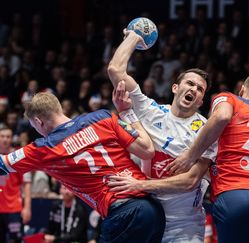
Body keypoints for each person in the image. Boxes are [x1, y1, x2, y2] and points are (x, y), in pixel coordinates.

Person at [0, 90, 165, 243]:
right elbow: (147, 151)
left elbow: (3, 165)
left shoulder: (45, 147)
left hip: (123, 213)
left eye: (34, 126)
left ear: (38, 121)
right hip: (153, 209)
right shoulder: (103, 117)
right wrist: (127, 113)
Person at [107, 29, 217, 243]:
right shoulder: (150, 111)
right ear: (175, 87)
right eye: (190, 84)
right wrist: (133, 37)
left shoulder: (206, 130)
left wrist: (139, 185)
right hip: (148, 217)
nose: (194, 89)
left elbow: (191, 180)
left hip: (184, 225)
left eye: (200, 89)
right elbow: (115, 70)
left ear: (201, 101)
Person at [168, 73, 249, 243]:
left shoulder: (229, 98)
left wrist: (191, 155)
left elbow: (221, 117)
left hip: (234, 193)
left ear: (242, 90)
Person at [0, 126, 31, 243]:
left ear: (12, 139)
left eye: (8, 137)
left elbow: (27, 184)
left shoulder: (17, 157)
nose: (5, 139)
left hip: (14, 209)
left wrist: (27, 207)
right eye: (2, 136)